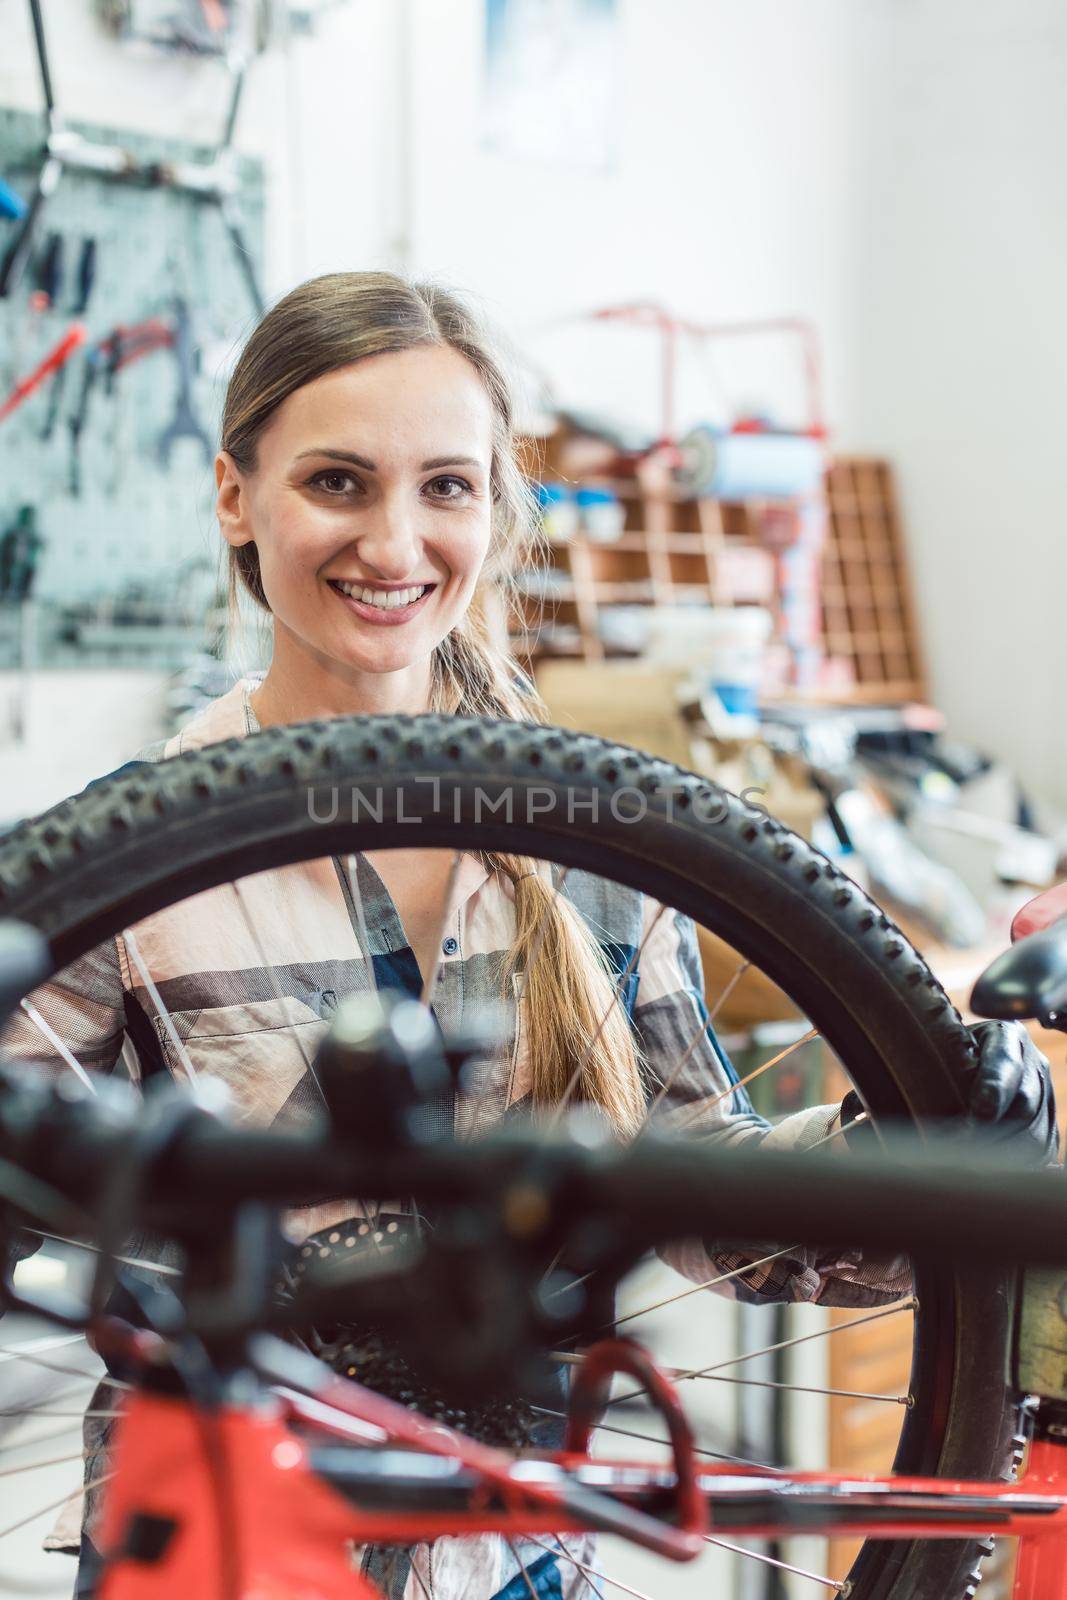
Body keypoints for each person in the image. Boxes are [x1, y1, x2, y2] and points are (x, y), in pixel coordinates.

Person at [1, 272, 1057, 1600]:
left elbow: (696, 1183)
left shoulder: (600, 845)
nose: (394, 544)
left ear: (494, 511)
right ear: (235, 498)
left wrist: (913, 1159)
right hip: (219, 1550)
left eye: (446, 487)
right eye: (337, 482)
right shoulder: (131, 861)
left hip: (521, 1556)